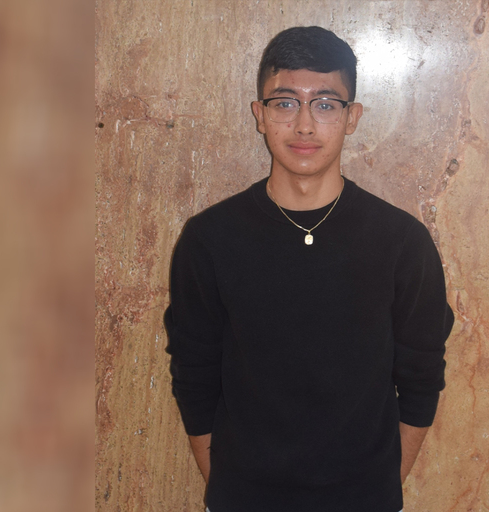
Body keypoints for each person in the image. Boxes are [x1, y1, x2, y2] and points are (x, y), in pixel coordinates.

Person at [164, 26, 454, 512]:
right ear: (259, 115)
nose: (304, 126)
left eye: (325, 104)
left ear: (352, 117)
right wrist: (232, 490)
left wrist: (378, 488)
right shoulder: (210, 238)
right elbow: (194, 375)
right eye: (284, 103)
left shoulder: (401, 242)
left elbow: (422, 377)